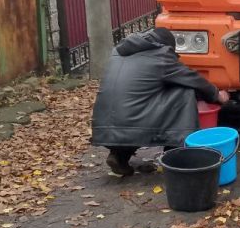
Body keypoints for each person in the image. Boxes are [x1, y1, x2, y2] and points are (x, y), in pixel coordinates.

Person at [91, 28, 229, 176]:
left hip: (104, 128)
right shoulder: (160, 55)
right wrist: (217, 94)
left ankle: (119, 155)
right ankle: (173, 154)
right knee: (184, 92)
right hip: (132, 122)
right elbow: (193, 79)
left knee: (137, 103)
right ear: (166, 45)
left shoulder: (118, 52)